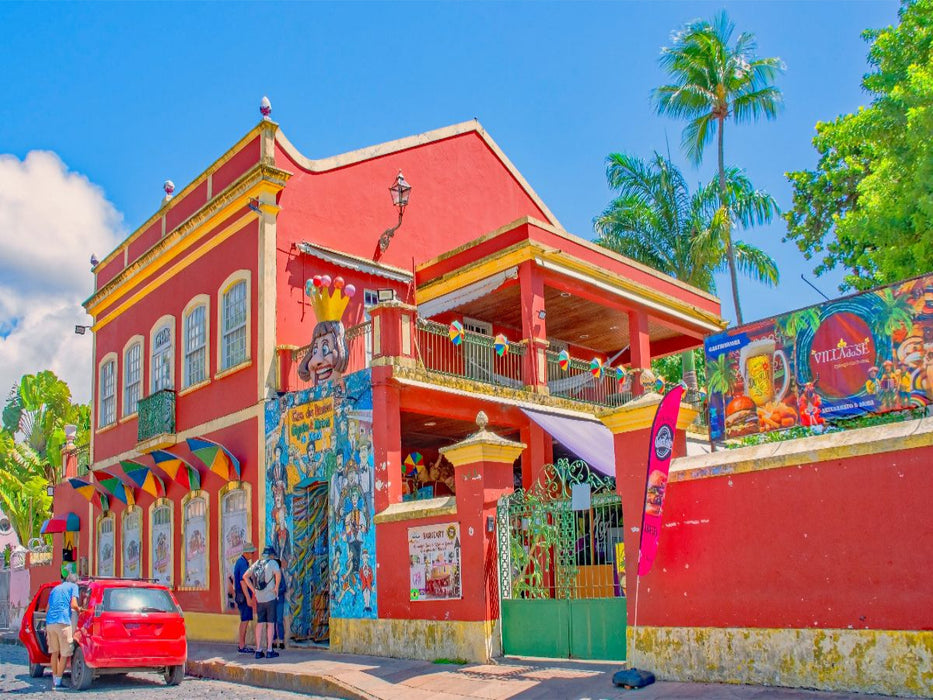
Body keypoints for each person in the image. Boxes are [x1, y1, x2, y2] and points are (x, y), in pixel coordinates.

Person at [244, 545, 282, 659]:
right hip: (270, 597)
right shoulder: (273, 563)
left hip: (259, 599)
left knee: (260, 623)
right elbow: (278, 574)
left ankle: (258, 650)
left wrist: (253, 590)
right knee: (270, 624)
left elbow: (245, 576)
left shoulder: (257, 563)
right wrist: (276, 587)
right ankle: (270, 650)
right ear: (271, 554)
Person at [45, 572, 80, 690]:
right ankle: (58, 682)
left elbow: (47, 608)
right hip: (63, 622)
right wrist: (79, 610)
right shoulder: (74, 587)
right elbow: (74, 604)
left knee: (54, 652)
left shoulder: (55, 588)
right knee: (65, 653)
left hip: (50, 622)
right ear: (76, 581)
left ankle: (55, 678)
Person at [234, 543, 257, 653]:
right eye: (251, 552)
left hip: (241, 594)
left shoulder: (242, 562)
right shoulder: (242, 563)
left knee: (245, 619)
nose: (253, 554)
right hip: (243, 596)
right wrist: (248, 598)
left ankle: (242, 645)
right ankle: (242, 646)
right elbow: (243, 582)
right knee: (245, 620)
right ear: (246, 553)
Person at [272, 556, 287, 650]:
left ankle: (281, 640)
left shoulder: (280, 575)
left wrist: (277, 591)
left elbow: (284, 587)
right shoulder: (269, 576)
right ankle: (273, 640)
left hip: (279, 600)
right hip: (272, 601)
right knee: (272, 621)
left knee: (279, 621)